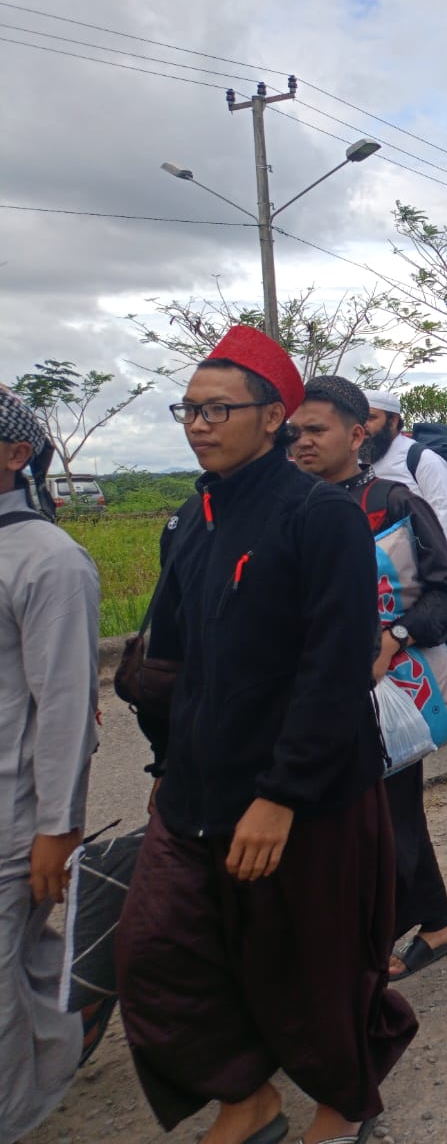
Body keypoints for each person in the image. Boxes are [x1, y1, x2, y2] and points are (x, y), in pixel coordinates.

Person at [116, 325, 416, 1144]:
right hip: (196, 792)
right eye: (189, 408)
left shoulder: (320, 518)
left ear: (273, 415)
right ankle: (247, 1101)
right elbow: (170, 658)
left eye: (218, 408)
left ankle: (343, 1107)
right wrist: (168, 761)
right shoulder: (193, 516)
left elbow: (332, 671)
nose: (198, 423)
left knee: (314, 965)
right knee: (158, 952)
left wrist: (279, 796)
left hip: (306, 794)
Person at [290, 376, 447, 985]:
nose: (303, 443)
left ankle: (373, 938)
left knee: (390, 812)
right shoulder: (291, 507)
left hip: (388, 689)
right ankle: (438, 923)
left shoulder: (392, 502)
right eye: (294, 432)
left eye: (316, 430)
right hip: (310, 690)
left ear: (357, 433)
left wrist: (393, 637)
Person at [0, 390, 103, 1141]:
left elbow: (67, 708)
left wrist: (57, 829)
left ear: (13, 455)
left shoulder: (48, 559)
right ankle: (58, 1059)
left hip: (13, 819)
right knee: (25, 970)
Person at [365, 388, 447, 559]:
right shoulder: (358, 461)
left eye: (372, 418)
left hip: (421, 570)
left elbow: (446, 520)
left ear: (393, 420)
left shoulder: (423, 460)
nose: (364, 425)